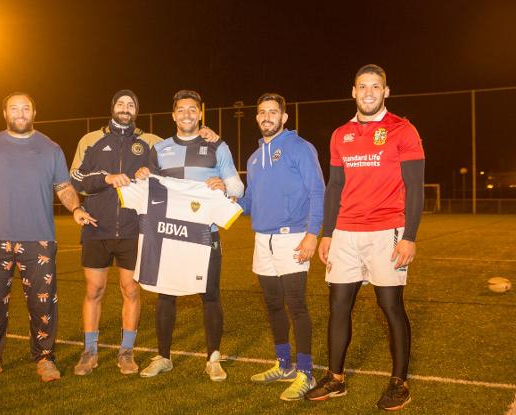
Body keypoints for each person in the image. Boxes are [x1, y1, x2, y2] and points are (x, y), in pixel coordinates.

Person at [69, 90, 220, 376]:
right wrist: (105, 178)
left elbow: (180, 147)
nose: (125, 108)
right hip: (95, 226)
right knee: (93, 289)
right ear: (112, 107)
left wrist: (206, 134)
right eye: (120, 103)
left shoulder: (151, 142)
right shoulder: (90, 140)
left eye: (131, 105)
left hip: (133, 228)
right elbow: (75, 181)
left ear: (136, 110)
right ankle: (89, 352)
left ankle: (126, 353)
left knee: (131, 290)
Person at [305, 64, 425, 411]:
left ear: (386, 92)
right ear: (353, 92)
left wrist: (410, 236)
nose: (369, 92)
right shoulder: (340, 134)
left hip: (388, 231)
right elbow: (335, 187)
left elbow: (415, 188)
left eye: (376, 86)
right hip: (345, 233)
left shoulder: (403, 130)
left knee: (390, 306)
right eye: (363, 86)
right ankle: (336, 379)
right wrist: (328, 233)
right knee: (338, 306)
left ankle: (399, 383)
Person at [0, 92, 94, 383]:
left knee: (43, 305)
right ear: (4, 113)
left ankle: (44, 359)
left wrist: (76, 207)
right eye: (14, 108)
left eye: (25, 108)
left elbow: (64, 187)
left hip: (38, 241)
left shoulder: (50, 148)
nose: (20, 113)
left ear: (35, 112)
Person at [135, 89, 244, 381]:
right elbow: (148, 185)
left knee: (210, 296)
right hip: (169, 235)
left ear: (200, 113)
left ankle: (213, 358)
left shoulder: (216, 146)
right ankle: (164, 356)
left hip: (204, 235)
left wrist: (222, 184)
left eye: (192, 109)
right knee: (165, 296)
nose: (186, 114)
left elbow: (238, 189)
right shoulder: (159, 149)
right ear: (173, 115)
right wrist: (142, 175)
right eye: (181, 110)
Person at [238, 93, 324, 401]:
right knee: (273, 304)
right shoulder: (253, 157)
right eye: (262, 112)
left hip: (293, 237)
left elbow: (317, 189)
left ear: (284, 117)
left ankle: (306, 372)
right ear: (257, 118)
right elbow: (249, 202)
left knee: (296, 305)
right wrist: (224, 198)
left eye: (273, 112)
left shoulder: (299, 148)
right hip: (263, 239)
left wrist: (312, 233)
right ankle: (284, 364)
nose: (267, 117)